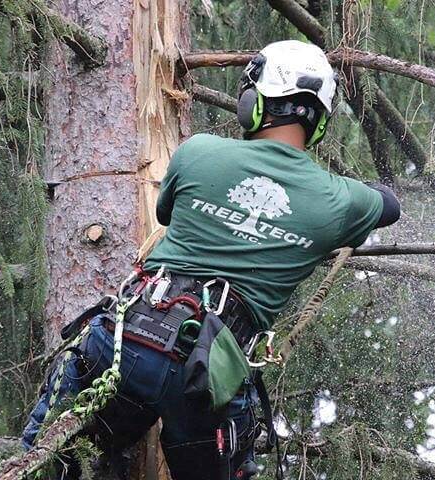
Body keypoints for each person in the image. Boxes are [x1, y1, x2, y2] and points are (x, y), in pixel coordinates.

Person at [21, 39, 400, 480]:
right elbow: (389, 205)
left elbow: (165, 212)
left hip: (129, 342)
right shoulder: (342, 201)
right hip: (209, 376)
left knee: (48, 460)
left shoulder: (199, 152)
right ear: (318, 122)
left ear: (255, 102)